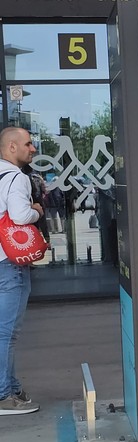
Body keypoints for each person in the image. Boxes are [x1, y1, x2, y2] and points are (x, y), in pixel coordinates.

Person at [0, 127, 43, 415]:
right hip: (10, 264)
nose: (33, 148)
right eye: (28, 144)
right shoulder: (16, 178)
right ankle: (4, 395)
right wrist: (37, 210)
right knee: (6, 333)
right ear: (12, 147)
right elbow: (19, 215)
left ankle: (12, 387)